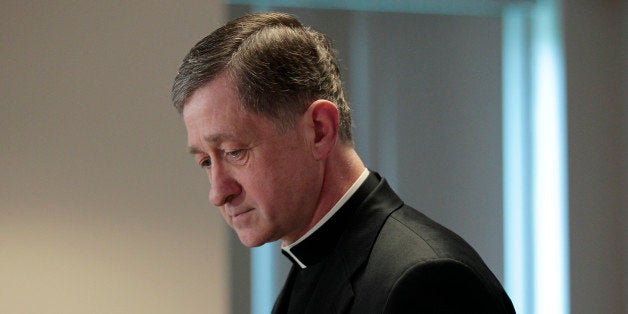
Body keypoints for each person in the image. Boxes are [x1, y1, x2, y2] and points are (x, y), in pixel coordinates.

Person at [172, 12, 515, 314]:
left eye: (234, 151)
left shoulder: (426, 281)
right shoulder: (310, 264)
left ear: (319, 131)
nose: (218, 192)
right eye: (205, 161)